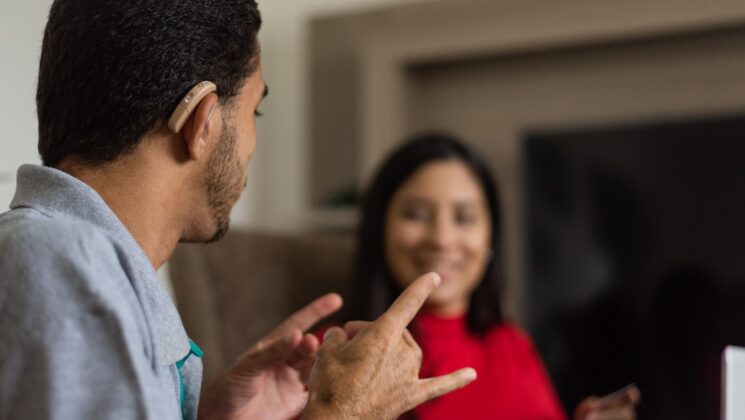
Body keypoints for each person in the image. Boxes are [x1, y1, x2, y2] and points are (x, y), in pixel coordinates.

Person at [0, 2, 476, 419]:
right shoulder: (64, 262)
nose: (252, 144)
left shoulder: (70, 264)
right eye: (255, 111)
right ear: (201, 122)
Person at [345, 133, 641, 419]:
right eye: (417, 214)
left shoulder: (511, 345)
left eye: (464, 218)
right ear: (379, 228)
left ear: (490, 237)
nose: (442, 239)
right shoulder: (334, 352)